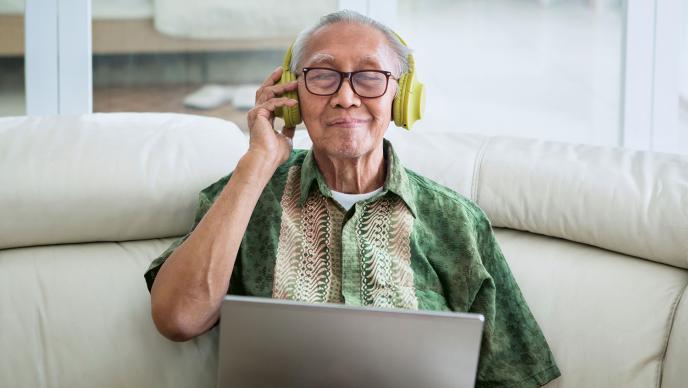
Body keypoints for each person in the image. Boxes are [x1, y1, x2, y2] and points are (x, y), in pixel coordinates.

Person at [145, 9, 560, 387]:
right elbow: (179, 318)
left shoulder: (455, 220)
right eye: (322, 76)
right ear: (293, 96)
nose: (345, 96)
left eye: (369, 76)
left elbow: (516, 377)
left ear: (401, 96)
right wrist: (257, 163)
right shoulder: (244, 198)